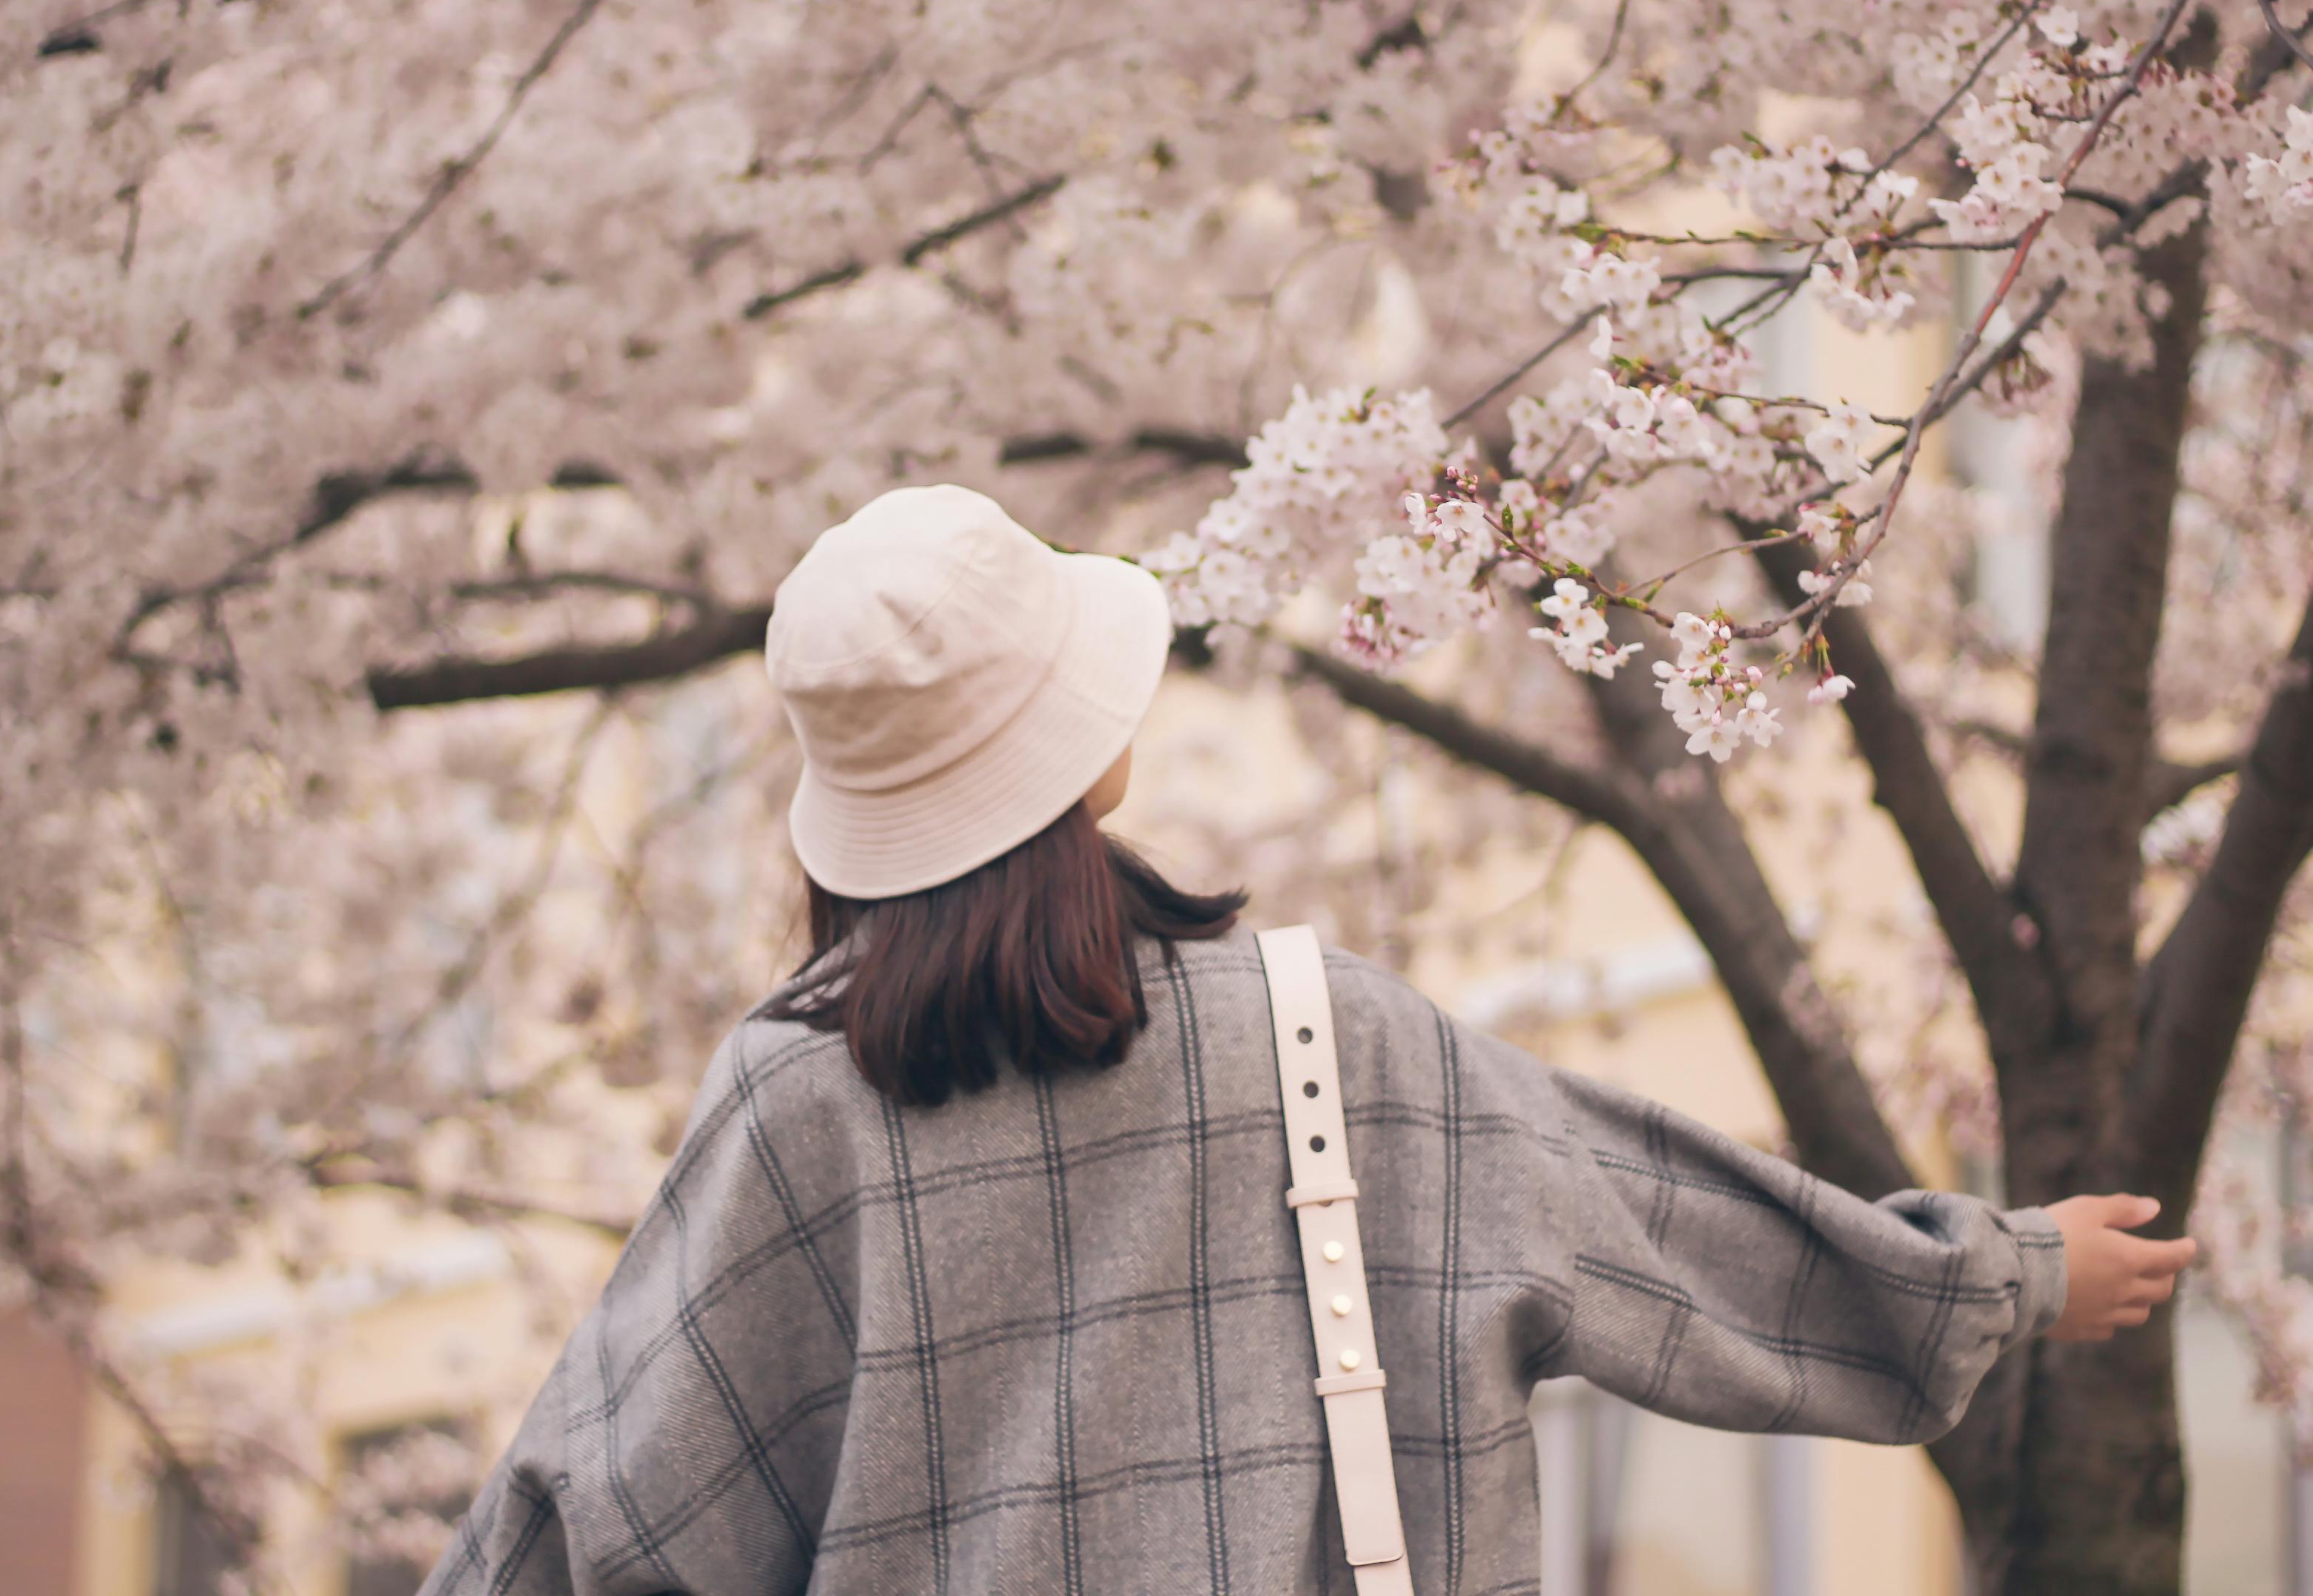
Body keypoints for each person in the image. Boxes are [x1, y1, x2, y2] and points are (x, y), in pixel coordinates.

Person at [420, 485, 2195, 1596]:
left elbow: (602, 1513)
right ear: (1095, 753)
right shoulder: (1316, 1041)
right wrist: (2005, 1274)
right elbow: (1659, 1234)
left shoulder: (794, 1104)